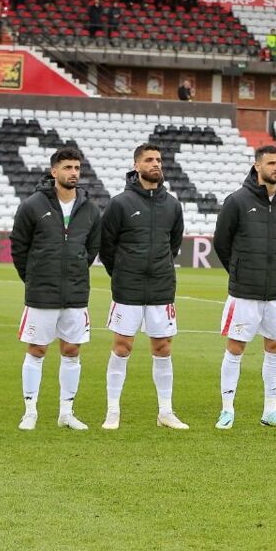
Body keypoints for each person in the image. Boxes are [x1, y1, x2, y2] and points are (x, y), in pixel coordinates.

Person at [10, 148, 103, 431]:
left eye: (77, 167)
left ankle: (66, 412)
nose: (73, 172)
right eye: (67, 167)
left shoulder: (90, 209)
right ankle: (30, 412)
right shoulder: (33, 205)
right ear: (54, 172)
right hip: (42, 293)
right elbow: (19, 248)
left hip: (75, 294)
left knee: (72, 350)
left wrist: (73, 271)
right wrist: (35, 277)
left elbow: (91, 249)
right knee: (37, 349)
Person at [99, 144, 188, 430]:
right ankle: (112, 411)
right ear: (136, 166)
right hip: (128, 288)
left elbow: (173, 244)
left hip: (161, 287)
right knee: (123, 346)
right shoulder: (119, 203)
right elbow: (106, 247)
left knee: (162, 347)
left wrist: (158, 267)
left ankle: (165, 412)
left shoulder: (172, 205)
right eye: (149, 160)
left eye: (159, 160)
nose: (155, 164)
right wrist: (123, 272)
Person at [213, 146, 276, 430]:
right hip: (244, 292)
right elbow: (222, 243)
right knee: (236, 347)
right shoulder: (237, 201)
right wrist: (241, 270)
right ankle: (227, 410)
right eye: (271, 163)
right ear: (257, 166)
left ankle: (271, 411)